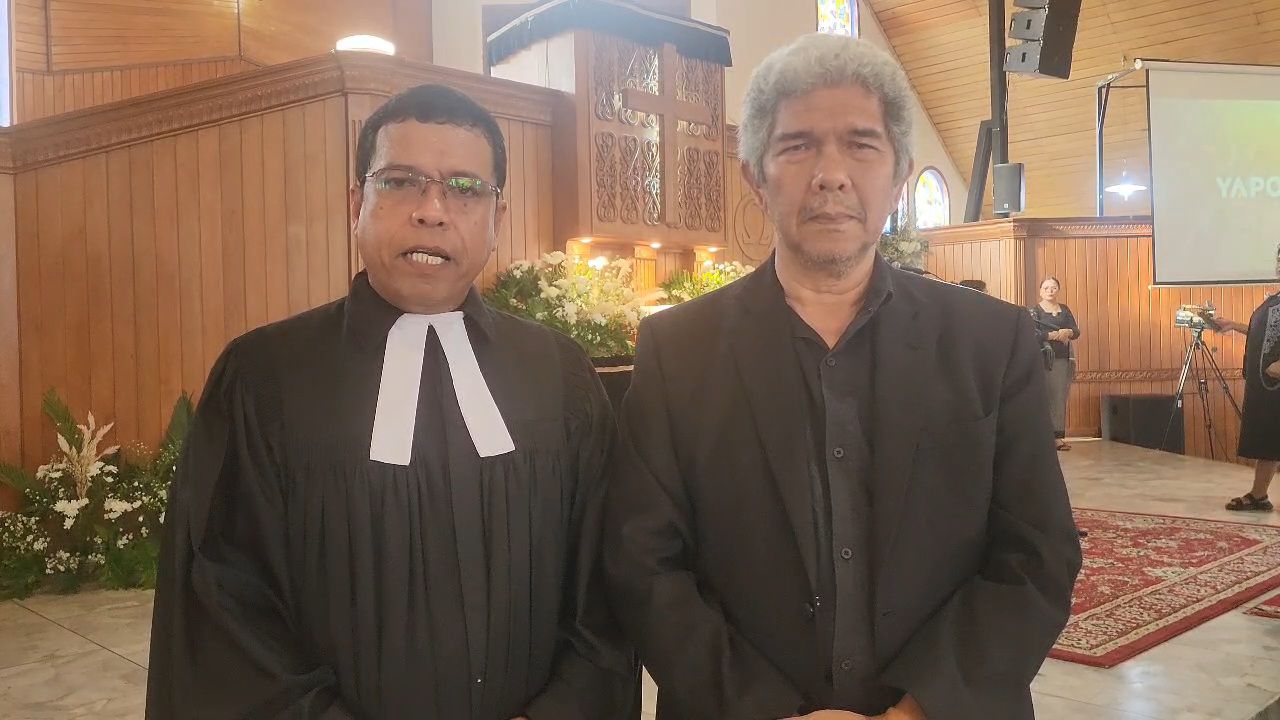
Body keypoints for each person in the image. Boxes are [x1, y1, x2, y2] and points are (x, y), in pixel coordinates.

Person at [603, 34, 1081, 720]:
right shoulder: (678, 350)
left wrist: (916, 712)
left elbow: (1037, 555)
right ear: (755, 176)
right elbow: (644, 564)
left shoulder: (990, 341)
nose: (830, 174)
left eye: (860, 144)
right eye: (798, 146)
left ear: (899, 174)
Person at [147, 84, 637, 720]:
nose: (432, 211)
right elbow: (223, 604)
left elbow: (607, 588)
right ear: (358, 203)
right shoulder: (263, 378)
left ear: (497, 218)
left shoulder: (559, 376)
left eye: (465, 188)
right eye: (402, 182)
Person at [1212, 245, 1280, 512]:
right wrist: (1233, 325)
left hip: (1275, 381)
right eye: (1279, 257)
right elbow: (1265, 334)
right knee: (1269, 441)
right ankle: (1259, 495)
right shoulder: (1274, 299)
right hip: (1266, 387)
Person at [1029, 277, 1081, 451]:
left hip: (1060, 360)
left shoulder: (1064, 310)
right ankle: (1040, 437)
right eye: (1046, 288)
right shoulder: (1034, 311)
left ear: (1058, 290)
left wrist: (1068, 332)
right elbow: (1032, 334)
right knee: (1041, 398)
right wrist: (1051, 335)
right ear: (1040, 291)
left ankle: (1057, 438)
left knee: (1059, 398)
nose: (1050, 291)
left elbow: (1076, 331)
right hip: (1040, 359)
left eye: (1053, 288)